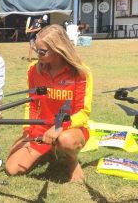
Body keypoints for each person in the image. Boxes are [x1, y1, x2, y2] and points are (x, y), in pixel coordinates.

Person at [5, 24, 93, 182]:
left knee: (65, 141)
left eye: (42, 51)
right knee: (12, 168)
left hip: (71, 128)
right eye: (36, 48)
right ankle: (47, 150)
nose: (37, 54)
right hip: (41, 127)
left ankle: (72, 161)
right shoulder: (33, 70)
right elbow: (31, 104)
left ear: (58, 49)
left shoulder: (81, 73)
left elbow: (83, 113)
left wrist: (58, 127)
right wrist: (28, 130)